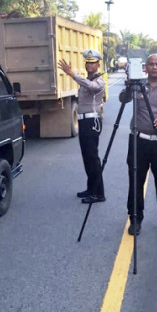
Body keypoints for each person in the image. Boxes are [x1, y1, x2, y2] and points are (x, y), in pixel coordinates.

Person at [119, 53, 157, 236]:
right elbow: (123, 99)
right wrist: (129, 86)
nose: (154, 67)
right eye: (151, 64)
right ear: (145, 67)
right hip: (139, 140)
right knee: (136, 181)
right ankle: (135, 219)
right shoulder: (137, 85)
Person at [58, 50, 106, 204]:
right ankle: (91, 188)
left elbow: (91, 87)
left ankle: (99, 193)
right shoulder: (87, 80)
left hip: (92, 122)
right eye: (87, 63)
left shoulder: (99, 81)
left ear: (98, 65)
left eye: (92, 63)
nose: (89, 65)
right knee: (87, 158)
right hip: (84, 122)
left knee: (93, 158)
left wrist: (72, 74)